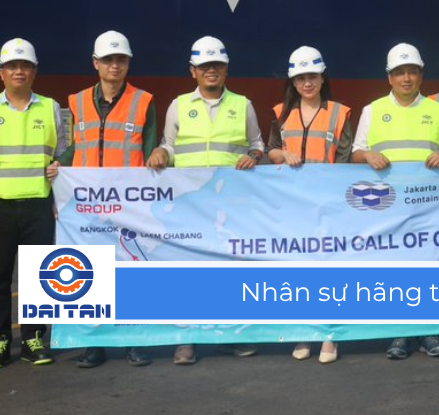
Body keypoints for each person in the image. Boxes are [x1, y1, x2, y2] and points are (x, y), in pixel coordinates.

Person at [148, 35, 265, 365]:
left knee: (227, 270)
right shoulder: (179, 105)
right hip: (191, 205)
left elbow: (257, 144)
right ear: (193, 71)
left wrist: (254, 156)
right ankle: (188, 339)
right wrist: (160, 152)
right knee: (188, 271)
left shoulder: (242, 105)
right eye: (204, 66)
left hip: (229, 204)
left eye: (217, 65)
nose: (211, 70)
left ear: (226, 69)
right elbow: (169, 145)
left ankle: (228, 336)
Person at [0, 38, 66, 370]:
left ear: (34, 71)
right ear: (1, 72)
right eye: (12, 66)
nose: (18, 71)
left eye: (25, 66)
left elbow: (61, 154)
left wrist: (59, 183)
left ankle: (34, 338)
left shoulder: (50, 108)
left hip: (38, 204)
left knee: (38, 277)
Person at [352, 43, 439, 361]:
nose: (406, 78)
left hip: (429, 204)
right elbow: (355, 153)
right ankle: (400, 331)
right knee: (395, 268)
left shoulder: (437, 110)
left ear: (421, 75)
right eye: (400, 73)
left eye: (412, 71)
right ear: (390, 77)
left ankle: (429, 331)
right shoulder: (372, 111)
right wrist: (368, 155)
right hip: (388, 206)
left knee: (429, 267)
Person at [61, 31, 157, 369]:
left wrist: (159, 157)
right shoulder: (76, 101)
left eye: (120, 60)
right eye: (108, 60)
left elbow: (150, 149)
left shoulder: (143, 101)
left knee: (130, 273)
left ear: (128, 63)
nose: (114, 65)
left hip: (129, 204)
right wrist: (59, 167)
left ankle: (134, 341)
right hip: (88, 204)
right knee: (92, 273)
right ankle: (95, 343)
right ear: (95, 63)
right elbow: (76, 146)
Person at [267, 45, 353, 364]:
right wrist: (283, 154)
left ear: (322, 78)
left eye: (313, 76)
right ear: (292, 81)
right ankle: (305, 331)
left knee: (330, 270)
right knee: (299, 270)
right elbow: (271, 151)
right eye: (301, 78)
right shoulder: (281, 113)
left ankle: (330, 335)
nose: (307, 83)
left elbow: (345, 161)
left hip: (329, 206)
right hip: (293, 207)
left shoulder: (339, 113)